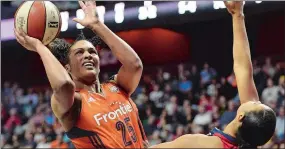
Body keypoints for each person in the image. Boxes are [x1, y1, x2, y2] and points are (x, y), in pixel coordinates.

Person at [14, 1, 147, 148]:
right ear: (67, 68)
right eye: (79, 52)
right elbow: (64, 85)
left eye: (92, 52)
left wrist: (97, 25)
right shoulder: (75, 103)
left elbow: (134, 65)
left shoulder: (117, 86)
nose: (88, 55)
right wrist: (40, 46)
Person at [150, 1, 276, 148]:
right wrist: (237, 15)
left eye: (257, 103)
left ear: (241, 117)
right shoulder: (250, 138)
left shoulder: (203, 144)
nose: (256, 100)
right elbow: (243, 69)